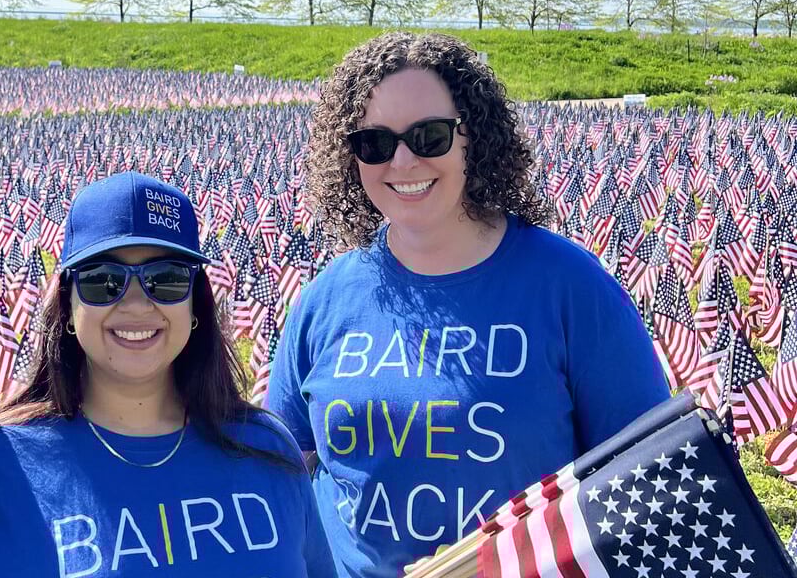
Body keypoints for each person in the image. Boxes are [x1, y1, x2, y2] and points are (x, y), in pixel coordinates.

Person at [264, 32, 671, 577]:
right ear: (351, 157)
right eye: (375, 143)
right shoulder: (324, 298)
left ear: (472, 138)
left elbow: (646, 475)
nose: (402, 162)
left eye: (429, 137)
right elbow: (280, 473)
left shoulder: (571, 285)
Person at [0, 171, 335, 578]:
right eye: (104, 281)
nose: (137, 303)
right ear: (67, 304)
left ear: (196, 304)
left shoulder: (268, 449)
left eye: (167, 279)